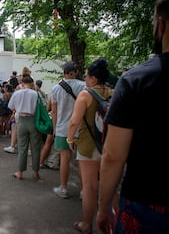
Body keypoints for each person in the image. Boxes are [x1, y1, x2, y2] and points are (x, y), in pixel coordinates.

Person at [97, 0, 169, 234]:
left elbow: (113, 155)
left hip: (147, 203)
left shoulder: (137, 79)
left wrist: (104, 205)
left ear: (160, 25)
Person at [66, 58, 113, 234]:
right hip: (109, 145)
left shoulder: (85, 95)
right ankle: (114, 225)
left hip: (88, 145)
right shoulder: (113, 92)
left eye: (86, 76)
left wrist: (70, 140)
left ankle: (87, 224)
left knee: (89, 186)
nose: (85, 78)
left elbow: (74, 122)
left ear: (93, 78)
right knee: (111, 186)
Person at [51, 61, 85, 199]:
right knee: (82, 160)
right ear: (75, 72)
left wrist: (54, 129)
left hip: (63, 128)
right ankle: (84, 191)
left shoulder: (56, 88)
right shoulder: (83, 86)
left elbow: (54, 111)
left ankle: (63, 188)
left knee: (65, 158)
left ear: (64, 73)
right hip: (81, 128)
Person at [8, 75, 44, 180]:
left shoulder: (17, 93)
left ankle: (19, 172)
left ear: (22, 83)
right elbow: (44, 105)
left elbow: (10, 106)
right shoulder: (36, 94)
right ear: (32, 84)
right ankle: (36, 172)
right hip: (33, 120)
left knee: (22, 147)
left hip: (22, 120)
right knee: (35, 147)